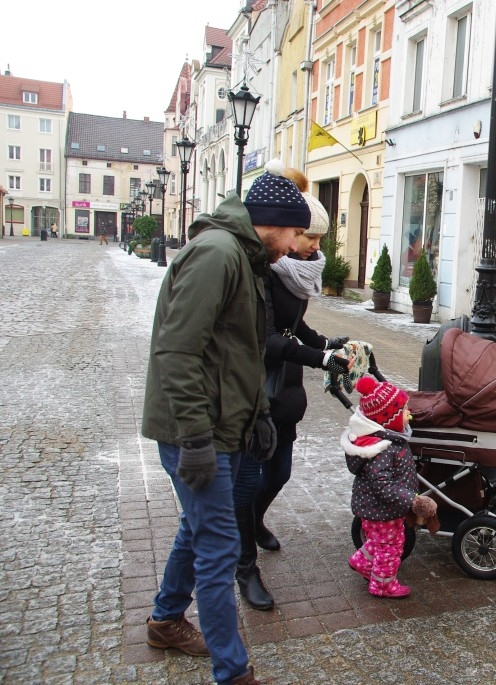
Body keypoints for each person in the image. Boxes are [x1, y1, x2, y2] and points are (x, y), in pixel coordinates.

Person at [140, 162, 311, 685]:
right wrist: (193, 436)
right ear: (274, 222)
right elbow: (176, 349)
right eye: (297, 231)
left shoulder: (244, 258)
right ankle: (233, 674)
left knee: (198, 531)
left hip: (227, 426)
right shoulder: (216, 255)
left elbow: (240, 351)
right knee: (218, 551)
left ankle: (167, 620)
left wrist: (258, 414)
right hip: (200, 432)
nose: (299, 244)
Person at [232, 166, 350, 611]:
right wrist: (318, 357)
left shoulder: (296, 271)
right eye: (308, 237)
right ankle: (245, 565)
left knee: (278, 472)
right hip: (258, 390)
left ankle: (256, 521)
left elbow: (294, 324)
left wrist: (327, 343)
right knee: (243, 484)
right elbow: (266, 339)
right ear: (288, 233)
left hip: (285, 392)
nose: (316, 247)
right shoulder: (263, 271)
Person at [343, 376, 434, 598]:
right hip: (382, 510)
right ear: (388, 419)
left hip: (377, 509)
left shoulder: (388, 441)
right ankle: (383, 585)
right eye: (404, 410)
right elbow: (382, 485)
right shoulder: (383, 449)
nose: (409, 414)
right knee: (391, 547)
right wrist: (410, 499)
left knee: (379, 541)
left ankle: (362, 562)